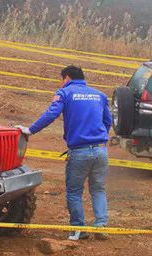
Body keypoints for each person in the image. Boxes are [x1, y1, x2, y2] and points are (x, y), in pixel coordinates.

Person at [16, 66, 112, 241]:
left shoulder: (65, 93)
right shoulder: (99, 94)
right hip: (100, 150)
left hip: (80, 150)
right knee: (98, 189)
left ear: (67, 78)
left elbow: (51, 114)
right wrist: (98, 137)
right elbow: (108, 121)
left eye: (61, 79)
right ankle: (101, 225)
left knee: (74, 191)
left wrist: (30, 130)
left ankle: (78, 228)